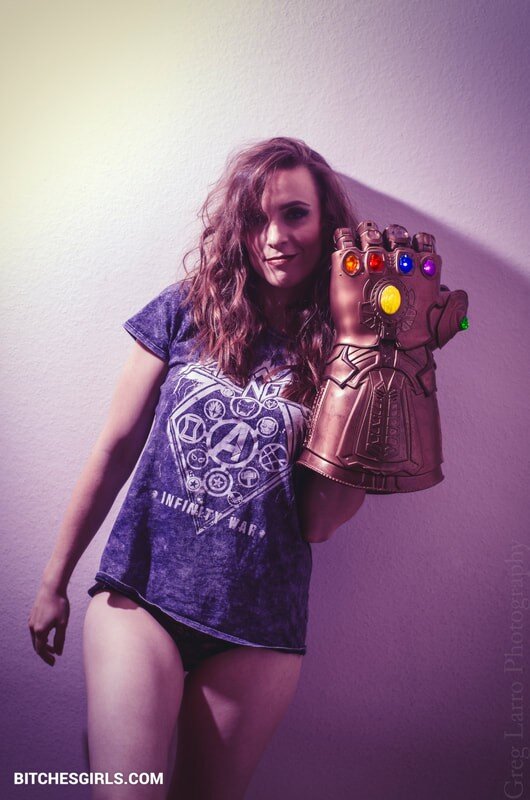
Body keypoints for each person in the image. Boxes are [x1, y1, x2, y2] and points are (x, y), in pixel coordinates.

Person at [28, 136, 367, 800]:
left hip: (258, 629)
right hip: (140, 598)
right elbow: (114, 449)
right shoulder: (187, 307)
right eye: (256, 218)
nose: (275, 237)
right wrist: (53, 580)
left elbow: (321, 523)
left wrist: (371, 360)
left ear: (327, 221)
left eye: (295, 214)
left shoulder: (344, 351)